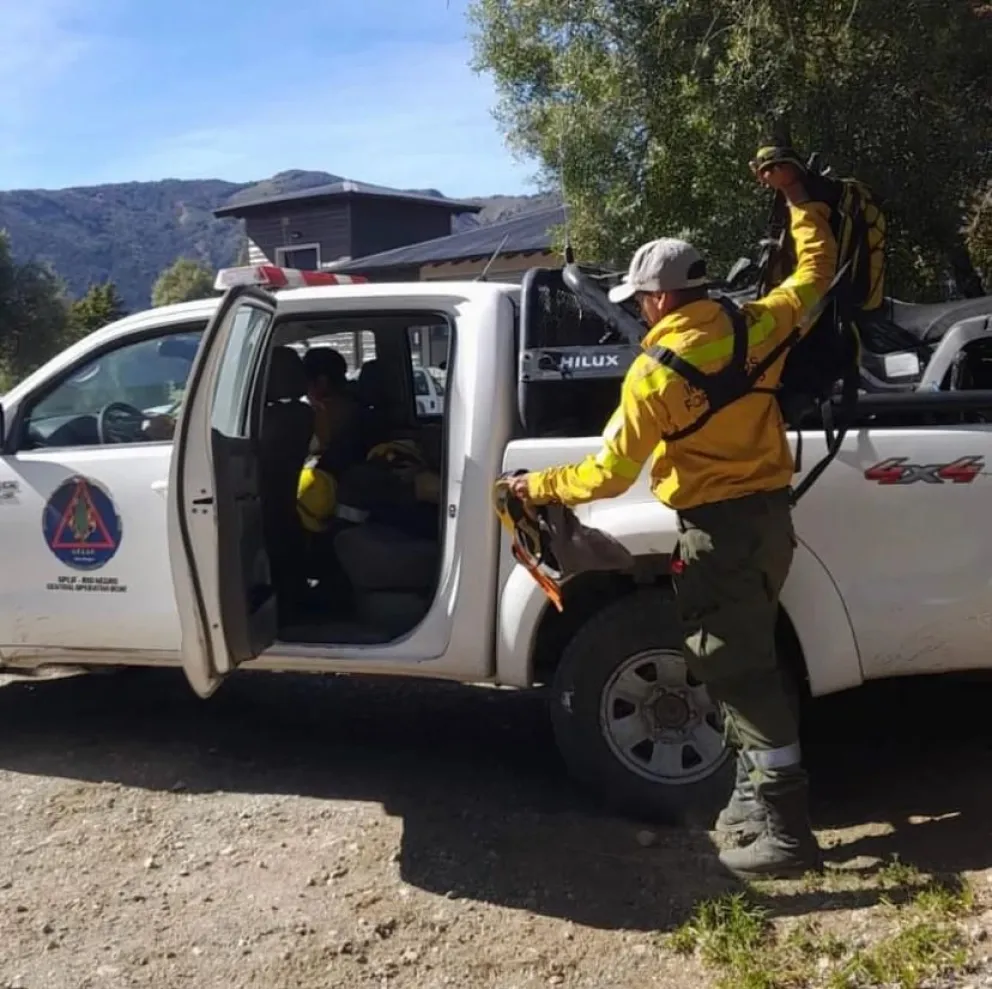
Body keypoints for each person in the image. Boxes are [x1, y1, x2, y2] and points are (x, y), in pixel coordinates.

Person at [508, 160, 838, 880]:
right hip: (769, 521)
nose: (644, 308)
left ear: (657, 299)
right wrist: (798, 198)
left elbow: (608, 475)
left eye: (642, 299)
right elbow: (817, 270)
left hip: (715, 531)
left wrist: (538, 484)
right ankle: (757, 798)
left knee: (735, 665)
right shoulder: (759, 322)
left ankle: (784, 828)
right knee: (746, 653)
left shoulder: (654, 373)